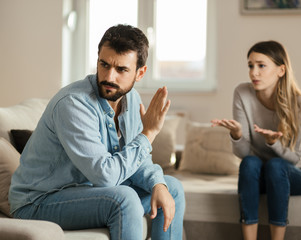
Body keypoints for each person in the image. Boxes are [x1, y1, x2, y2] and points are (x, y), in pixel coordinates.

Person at [9, 24, 185, 240]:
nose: (109, 77)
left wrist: (158, 182)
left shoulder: (132, 100)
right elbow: (105, 177)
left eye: (121, 70)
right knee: (124, 198)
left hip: (88, 193)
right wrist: (148, 134)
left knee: (171, 188)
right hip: (39, 201)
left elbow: (137, 161)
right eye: (104, 64)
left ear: (140, 73)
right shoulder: (73, 104)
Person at [211, 40, 301, 240]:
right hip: (261, 174)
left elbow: (295, 159)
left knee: (276, 165)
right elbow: (244, 154)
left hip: (297, 173)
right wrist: (237, 135)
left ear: (281, 70)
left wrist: (273, 143)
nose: (254, 72)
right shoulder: (242, 93)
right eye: (250, 66)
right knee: (250, 162)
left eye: (261, 66)